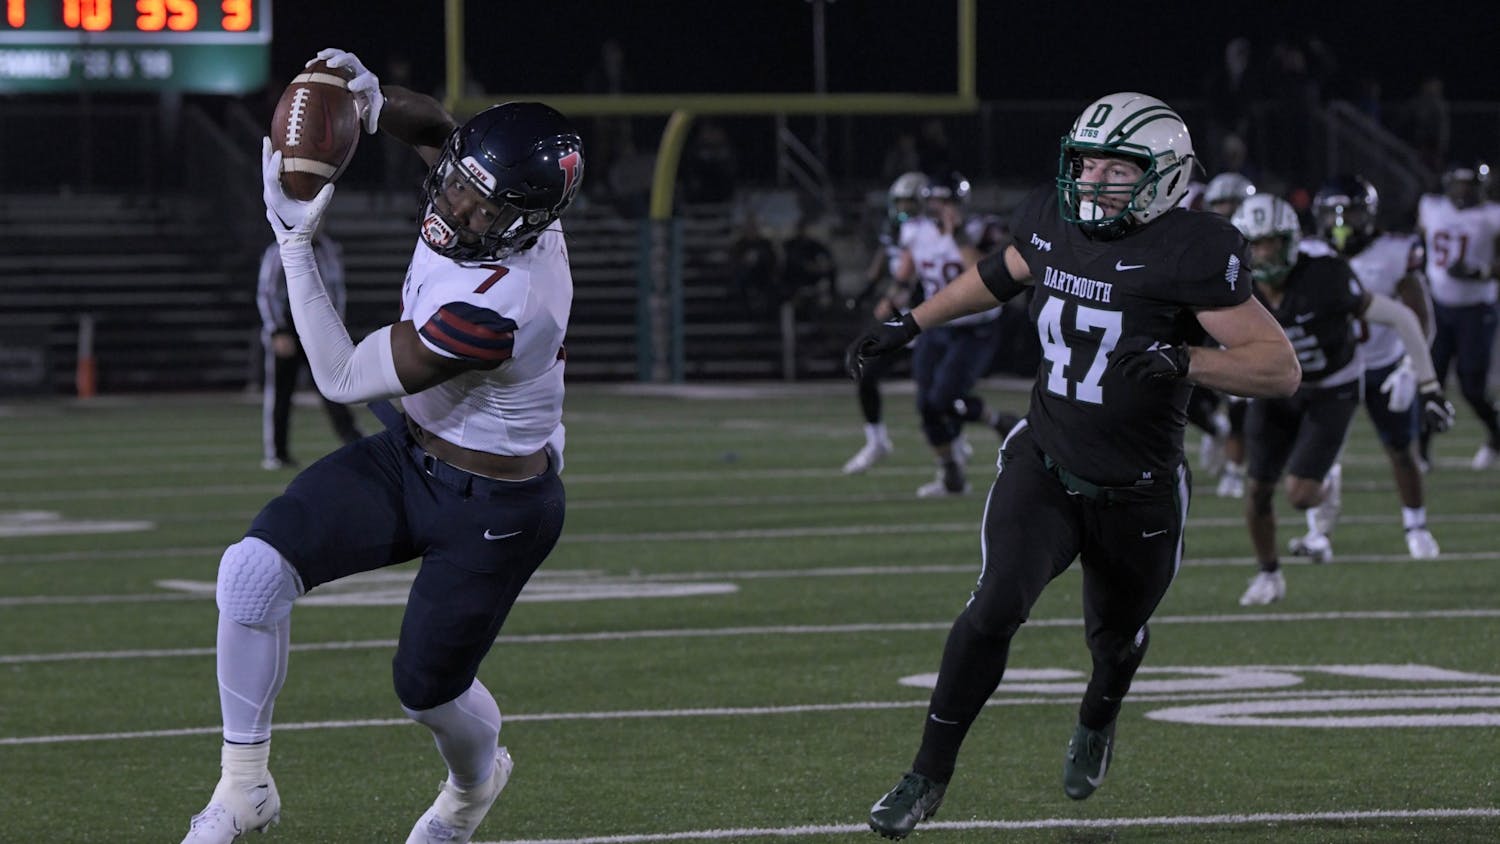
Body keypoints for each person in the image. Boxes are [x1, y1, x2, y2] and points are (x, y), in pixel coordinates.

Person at [846, 92, 1300, 840]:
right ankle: (926, 774)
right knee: (993, 608)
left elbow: (1278, 369)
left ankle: (1099, 715)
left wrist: (1185, 357)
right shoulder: (1052, 217)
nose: (1090, 179)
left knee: (1115, 640)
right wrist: (912, 322)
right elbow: (1003, 271)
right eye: (1084, 161)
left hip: (1140, 490)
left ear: (1162, 178)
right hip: (1046, 464)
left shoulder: (1194, 249)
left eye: (1113, 167)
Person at [180, 47, 584, 844]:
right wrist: (366, 101)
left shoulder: (500, 304)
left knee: (427, 692)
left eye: (483, 206)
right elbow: (436, 127)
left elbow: (335, 374)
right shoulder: (488, 197)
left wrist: (294, 244)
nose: (461, 207)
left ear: (526, 224)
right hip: (411, 453)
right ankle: (242, 787)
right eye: (461, 183)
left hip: (496, 504)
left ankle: (472, 790)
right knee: (251, 573)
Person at [1230, 193, 1452, 606]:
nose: (1263, 253)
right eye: (1254, 243)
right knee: (1258, 489)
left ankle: (1327, 485)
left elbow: (1401, 316)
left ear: (1290, 241)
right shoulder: (1235, 286)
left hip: (1333, 385)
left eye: (1271, 242)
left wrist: (1427, 384)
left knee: (1299, 495)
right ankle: (1268, 575)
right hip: (1277, 387)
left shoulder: (1325, 277)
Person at [1298, 176, 1441, 559]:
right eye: (1333, 214)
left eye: (1352, 213)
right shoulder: (1307, 252)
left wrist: (1411, 367)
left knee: (1400, 450)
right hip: (1333, 369)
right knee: (1322, 454)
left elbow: (1419, 315)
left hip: (1383, 364)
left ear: (1371, 215)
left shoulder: (1395, 250)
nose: (1341, 224)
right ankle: (1318, 534)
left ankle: (1416, 525)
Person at [893, 170, 1017, 498]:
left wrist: (958, 235)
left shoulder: (982, 229)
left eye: (945, 200)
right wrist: (888, 302)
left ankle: (996, 422)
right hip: (937, 325)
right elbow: (904, 275)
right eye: (934, 199)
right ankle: (953, 474)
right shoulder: (915, 230)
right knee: (926, 404)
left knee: (943, 398)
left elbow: (986, 275)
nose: (938, 206)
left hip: (976, 328)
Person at [843, 172, 928, 474]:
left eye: (909, 202)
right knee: (866, 370)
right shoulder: (894, 228)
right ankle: (876, 440)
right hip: (900, 316)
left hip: (929, 315)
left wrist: (893, 300)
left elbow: (914, 275)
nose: (903, 208)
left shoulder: (930, 231)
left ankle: (956, 447)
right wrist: (865, 293)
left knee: (935, 391)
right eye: (900, 202)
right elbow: (883, 263)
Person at [256, 232, 364, 470]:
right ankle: (277, 452)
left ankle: (355, 443)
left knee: (335, 387)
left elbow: (337, 289)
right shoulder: (278, 249)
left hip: (319, 328)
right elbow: (267, 292)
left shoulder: (327, 248)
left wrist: (335, 326)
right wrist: (277, 330)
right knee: (281, 394)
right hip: (288, 327)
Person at [1417, 162, 1500, 469]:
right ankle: (1422, 451)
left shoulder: (1492, 216)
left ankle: (1496, 434)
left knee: (1472, 386)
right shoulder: (1431, 207)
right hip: (1437, 307)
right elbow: (1419, 245)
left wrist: (1482, 271)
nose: (1463, 192)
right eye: (1459, 185)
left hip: (1477, 309)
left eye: (1470, 186)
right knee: (1430, 380)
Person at [1201, 172, 1259, 498]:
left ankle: (1236, 471)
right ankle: (1214, 429)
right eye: (1218, 204)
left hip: (1244, 324)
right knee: (1190, 393)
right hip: (1206, 324)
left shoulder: (1257, 240)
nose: (1224, 211)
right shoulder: (1203, 238)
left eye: (1231, 204)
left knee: (1241, 406)